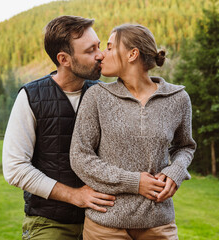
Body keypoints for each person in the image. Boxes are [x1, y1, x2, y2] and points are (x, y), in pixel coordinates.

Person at [70, 23, 196, 240]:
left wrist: (175, 173)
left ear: (132, 54)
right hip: (105, 225)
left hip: (159, 224)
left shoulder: (178, 99)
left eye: (109, 47)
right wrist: (135, 183)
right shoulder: (97, 97)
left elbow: (185, 147)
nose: (101, 55)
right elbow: (80, 157)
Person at [2, 15, 116, 240]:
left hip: (103, 219)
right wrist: (75, 196)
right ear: (64, 59)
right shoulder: (31, 97)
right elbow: (15, 168)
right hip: (49, 222)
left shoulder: (106, 95)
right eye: (90, 50)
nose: (100, 55)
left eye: (99, 46)